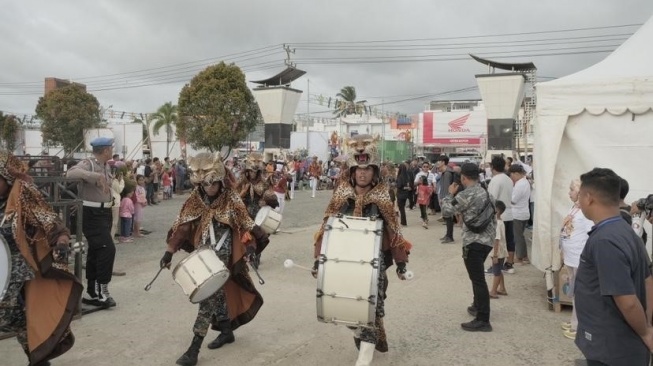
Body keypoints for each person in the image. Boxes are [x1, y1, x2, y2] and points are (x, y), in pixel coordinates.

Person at [160, 152, 269, 366]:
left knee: (207, 297)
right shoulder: (195, 197)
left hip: (223, 254)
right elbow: (183, 226)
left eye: (212, 184)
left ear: (220, 181)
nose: (208, 188)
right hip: (203, 252)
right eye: (204, 184)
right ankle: (227, 331)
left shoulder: (232, 199)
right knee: (217, 294)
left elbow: (246, 225)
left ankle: (194, 348)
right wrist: (169, 252)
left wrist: (250, 248)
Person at [311, 135, 411, 366]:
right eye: (358, 169)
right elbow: (326, 227)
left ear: (374, 171)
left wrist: (401, 263)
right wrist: (319, 259)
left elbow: (394, 230)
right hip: (342, 261)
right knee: (344, 305)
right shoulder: (341, 194)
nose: (362, 174)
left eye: (367, 170)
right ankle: (364, 335)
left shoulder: (383, 196)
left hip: (373, 266)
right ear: (352, 171)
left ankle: (364, 357)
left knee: (371, 309)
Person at [0, 150, 82, 366]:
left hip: (16, 269)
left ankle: (38, 355)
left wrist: (62, 242)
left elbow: (50, 221)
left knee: (8, 315)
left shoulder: (23, 196)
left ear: (7, 178)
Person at [574, 167, 653, 365]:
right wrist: (648, 324)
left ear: (589, 197)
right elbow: (648, 281)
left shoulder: (605, 240)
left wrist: (645, 332)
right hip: (620, 345)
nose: (579, 201)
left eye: (580, 195)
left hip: (611, 348)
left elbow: (626, 299)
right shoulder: (626, 231)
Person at [441, 163, 497, 332]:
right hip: (487, 240)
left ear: (464, 178)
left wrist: (448, 194)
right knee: (477, 277)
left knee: (478, 279)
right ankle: (477, 305)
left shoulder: (467, 194)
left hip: (473, 241)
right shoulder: (486, 192)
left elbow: (446, 211)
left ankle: (483, 319)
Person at [66, 136, 118, 308]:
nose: (112, 150)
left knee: (96, 251)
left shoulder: (106, 166)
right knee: (107, 249)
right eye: (111, 148)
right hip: (92, 213)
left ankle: (93, 290)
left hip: (104, 212)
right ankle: (103, 291)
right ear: (104, 150)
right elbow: (70, 173)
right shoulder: (89, 163)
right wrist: (93, 176)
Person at [559, 178, 594, 340]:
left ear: (579, 193)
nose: (569, 192)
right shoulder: (574, 208)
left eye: (571, 190)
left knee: (579, 292)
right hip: (571, 256)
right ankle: (574, 321)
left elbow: (590, 234)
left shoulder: (586, 213)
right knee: (573, 291)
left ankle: (579, 326)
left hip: (579, 257)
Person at [487, 156, 516, 274]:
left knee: (497, 240)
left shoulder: (495, 180)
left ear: (492, 167)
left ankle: (496, 266)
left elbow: (492, 199)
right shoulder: (508, 179)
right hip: (509, 212)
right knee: (509, 239)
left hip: (499, 215)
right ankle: (509, 264)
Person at [508, 164, 531, 264]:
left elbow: (513, 200)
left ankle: (521, 256)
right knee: (519, 236)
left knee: (518, 237)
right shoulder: (524, 182)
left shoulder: (520, 184)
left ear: (516, 174)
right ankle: (523, 255)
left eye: (512, 175)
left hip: (518, 213)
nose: (511, 177)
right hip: (523, 212)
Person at [489, 200, 508, 299]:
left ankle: (493, 291)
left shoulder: (497, 224)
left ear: (497, 211)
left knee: (496, 271)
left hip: (498, 251)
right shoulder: (500, 222)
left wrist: (495, 255)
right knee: (499, 269)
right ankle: (502, 288)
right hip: (501, 250)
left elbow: (497, 240)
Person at [436, 155, 456, 243]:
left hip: (447, 199)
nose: (437, 163)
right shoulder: (445, 172)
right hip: (445, 198)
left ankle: (450, 236)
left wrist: (444, 198)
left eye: (439, 161)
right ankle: (448, 235)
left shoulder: (447, 173)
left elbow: (448, 188)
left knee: (449, 218)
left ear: (443, 162)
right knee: (447, 218)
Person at [109, 163, 126, 241]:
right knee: (114, 221)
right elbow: (119, 190)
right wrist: (122, 181)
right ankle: (111, 238)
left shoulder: (107, 178)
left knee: (109, 220)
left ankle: (109, 237)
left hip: (108, 200)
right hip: (115, 201)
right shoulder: (114, 180)